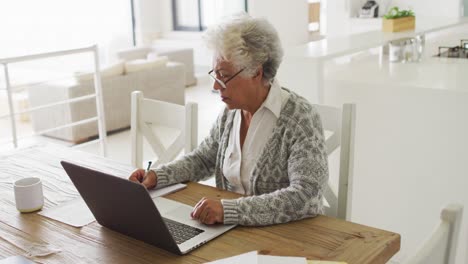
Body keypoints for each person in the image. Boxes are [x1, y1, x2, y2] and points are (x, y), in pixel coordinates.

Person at [129, 13, 328, 226]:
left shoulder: (300, 118)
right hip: (230, 231)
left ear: (256, 72)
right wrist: (158, 176)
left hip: (283, 237)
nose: (215, 87)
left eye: (224, 76)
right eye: (215, 75)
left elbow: (305, 196)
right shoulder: (232, 113)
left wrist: (229, 211)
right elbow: (203, 159)